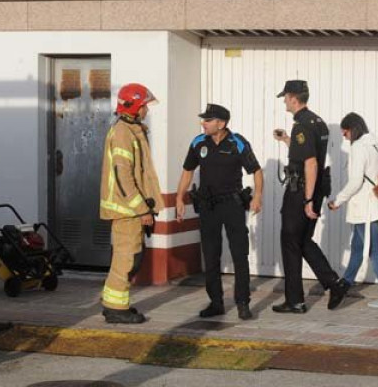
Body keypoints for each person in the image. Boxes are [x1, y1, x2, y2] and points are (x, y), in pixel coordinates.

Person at [175, 103, 263, 321]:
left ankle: (243, 303)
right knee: (211, 255)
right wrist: (179, 197)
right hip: (207, 207)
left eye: (208, 120)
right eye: (203, 119)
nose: (203, 123)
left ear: (221, 124)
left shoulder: (237, 143)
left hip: (231, 205)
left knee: (239, 254)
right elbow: (187, 171)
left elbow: (256, 171)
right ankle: (216, 303)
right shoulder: (198, 143)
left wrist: (258, 196)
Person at [272, 80, 348, 313]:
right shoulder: (319, 122)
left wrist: (306, 200)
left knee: (290, 242)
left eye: (285, 96)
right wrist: (287, 140)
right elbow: (309, 153)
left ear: (294, 97)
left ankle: (295, 301)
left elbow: (311, 163)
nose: (284, 100)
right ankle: (334, 283)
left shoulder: (302, 125)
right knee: (303, 241)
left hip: (301, 191)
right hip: (314, 189)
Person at [99, 83, 164, 324]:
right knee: (128, 258)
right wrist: (141, 209)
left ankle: (113, 303)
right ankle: (116, 309)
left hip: (129, 209)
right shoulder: (123, 133)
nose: (147, 110)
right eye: (145, 105)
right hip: (127, 210)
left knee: (128, 257)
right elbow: (122, 175)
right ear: (135, 106)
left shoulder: (130, 129)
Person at [327, 113, 378, 309]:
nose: (344, 137)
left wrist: (337, 201)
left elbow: (356, 181)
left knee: (374, 251)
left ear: (352, 129)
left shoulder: (358, 147)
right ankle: (345, 284)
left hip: (365, 208)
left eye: (345, 132)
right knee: (358, 248)